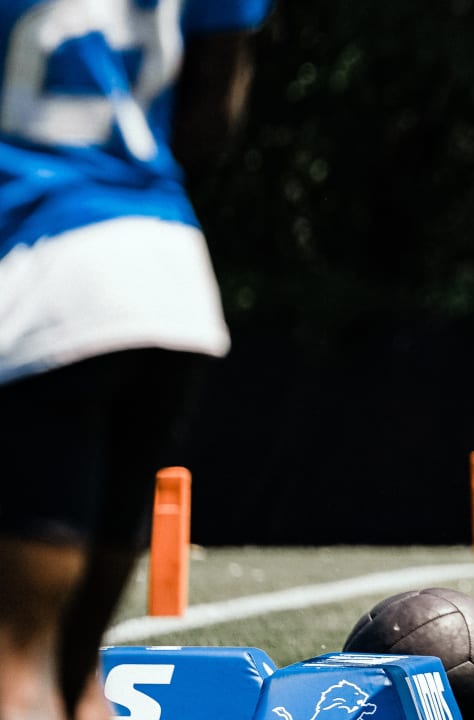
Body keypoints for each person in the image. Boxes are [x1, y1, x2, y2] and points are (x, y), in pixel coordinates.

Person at [0, 1, 272, 718]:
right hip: (165, 270)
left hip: (40, 275)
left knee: (14, 664)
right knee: (76, 668)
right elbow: (213, 109)